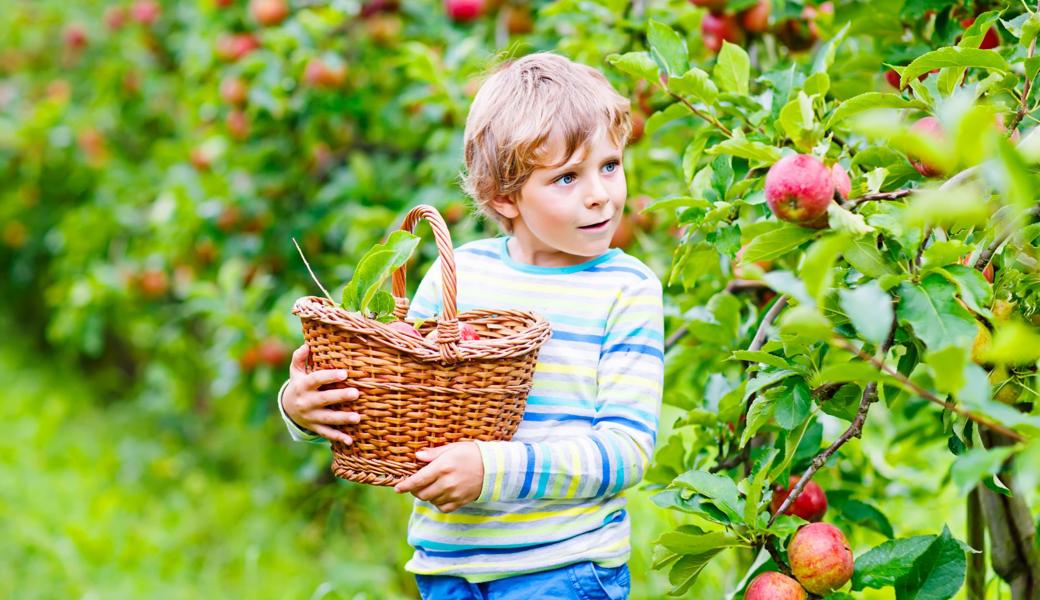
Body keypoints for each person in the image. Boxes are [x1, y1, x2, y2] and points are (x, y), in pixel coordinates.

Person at [277, 51, 664, 600]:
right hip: (446, 568)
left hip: (562, 569)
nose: (600, 192)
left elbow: (625, 452)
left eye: (609, 165)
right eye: (566, 177)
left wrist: (493, 470)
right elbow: (401, 393)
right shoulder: (463, 273)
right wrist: (302, 408)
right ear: (505, 197)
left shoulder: (627, 289)